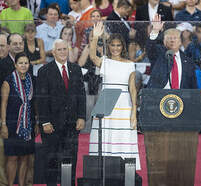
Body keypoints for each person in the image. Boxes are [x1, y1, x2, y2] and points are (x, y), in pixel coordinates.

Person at [87, 22, 140, 169]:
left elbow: (133, 89)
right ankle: (103, 168)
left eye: (118, 45)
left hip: (124, 104)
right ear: (108, 46)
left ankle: (124, 169)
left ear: (122, 47)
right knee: (103, 136)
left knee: (122, 136)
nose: (115, 48)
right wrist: (96, 37)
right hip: (106, 101)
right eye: (112, 45)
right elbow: (92, 56)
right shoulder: (105, 61)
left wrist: (134, 112)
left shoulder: (130, 64)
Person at [36, 39, 86, 186]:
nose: (63, 52)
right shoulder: (44, 71)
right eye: (60, 50)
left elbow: (81, 95)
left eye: (65, 49)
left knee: (70, 160)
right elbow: (41, 99)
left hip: (72, 125)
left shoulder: (76, 69)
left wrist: (81, 117)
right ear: (53, 52)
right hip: (51, 125)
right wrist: (44, 121)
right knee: (51, 161)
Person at [1, 52, 37, 186]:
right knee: (12, 158)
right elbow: (3, 105)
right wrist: (3, 124)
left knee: (25, 157)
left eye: (26, 63)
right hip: (12, 125)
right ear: (15, 65)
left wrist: (37, 121)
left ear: (29, 64)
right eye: (20, 63)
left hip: (28, 125)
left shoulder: (33, 80)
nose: (23, 65)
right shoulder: (8, 81)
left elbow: (35, 103)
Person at [146, 14, 198, 89]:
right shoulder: (158, 53)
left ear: (180, 42)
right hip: (159, 96)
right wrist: (155, 30)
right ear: (164, 41)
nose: (172, 40)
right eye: (169, 38)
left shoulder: (188, 61)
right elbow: (150, 48)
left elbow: (193, 86)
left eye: (175, 38)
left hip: (180, 98)